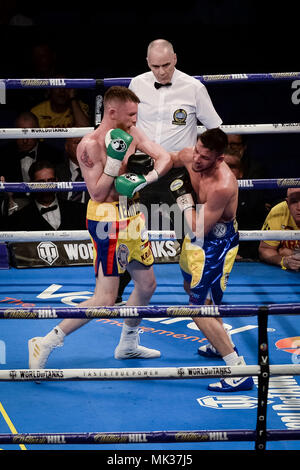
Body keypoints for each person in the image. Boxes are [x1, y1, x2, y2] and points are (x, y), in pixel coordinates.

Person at [28, 85, 172, 369]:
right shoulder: (90, 144)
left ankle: (128, 344)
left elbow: (165, 157)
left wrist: (146, 179)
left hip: (132, 214)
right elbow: (95, 192)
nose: (134, 120)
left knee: (147, 284)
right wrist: (114, 163)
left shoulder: (132, 132)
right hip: (106, 218)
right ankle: (45, 342)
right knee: (105, 297)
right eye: (130, 115)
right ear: (112, 112)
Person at [116, 38, 222, 303]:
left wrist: (195, 158)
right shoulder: (137, 84)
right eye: (155, 66)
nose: (161, 72)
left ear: (175, 58)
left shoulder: (194, 88)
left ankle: (199, 293)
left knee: (188, 235)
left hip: (177, 174)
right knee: (129, 232)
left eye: (165, 65)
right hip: (141, 170)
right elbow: (128, 125)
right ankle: (115, 292)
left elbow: (215, 130)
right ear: (147, 64)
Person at [168, 128, 254, 392]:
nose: (196, 160)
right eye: (197, 151)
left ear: (219, 159)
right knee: (192, 289)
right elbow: (168, 157)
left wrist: (182, 198)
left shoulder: (223, 184)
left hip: (214, 245)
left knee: (198, 307)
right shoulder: (192, 157)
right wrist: (144, 173)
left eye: (205, 157)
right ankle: (219, 344)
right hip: (196, 242)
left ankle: (237, 370)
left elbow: (199, 229)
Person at [0, 111, 63, 215]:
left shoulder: (54, 154)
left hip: (47, 205)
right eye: (21, 134)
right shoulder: (3, 154)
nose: (25, 140)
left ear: (38, 131)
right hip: (13, 207)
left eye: (29, 133)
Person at [6, 159, 86, 231]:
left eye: (51, 181)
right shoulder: (21, 218)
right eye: (41, 183)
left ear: (57, 181)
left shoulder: (79, 210)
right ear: (31, 184)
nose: (47, 186)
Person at [223, 147, 268, 260]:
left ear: (241, 173)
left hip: (246, 258)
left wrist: (242, 255)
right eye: (222, 166)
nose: (227, 170)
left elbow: (257, 233)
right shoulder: (203, 194)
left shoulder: (253, 200)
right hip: (215, 255)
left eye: (232, 167)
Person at [259, 188, 300, 271]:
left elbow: (285, 252)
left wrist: (291, 253)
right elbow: (265, 249)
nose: (299, 207)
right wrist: (283, 261)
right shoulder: (278, 212)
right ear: (287, 203)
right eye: (294, 201)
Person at [56, 137, 89, 205]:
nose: (81, 146)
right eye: (77, 142)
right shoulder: (57, 171)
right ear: (66, 147)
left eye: (84, 143)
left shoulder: (98, 171)